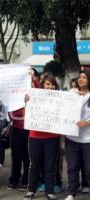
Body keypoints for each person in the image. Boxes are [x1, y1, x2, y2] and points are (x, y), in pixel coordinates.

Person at [23, 73, 61, 200]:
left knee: (50, 165)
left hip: (52, 137)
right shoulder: (33, 97)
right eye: (48, 84)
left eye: (53, 85)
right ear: (43, 85)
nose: (50, 87)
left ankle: (49, 191)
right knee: (34, 164)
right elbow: (25, 114)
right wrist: (27, 103)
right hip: (35, 136)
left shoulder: (60, 99)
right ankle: (31, 190)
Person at [64, 71, 90, 200]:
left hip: (88, 139)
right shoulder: (71, 93)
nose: (81, 79)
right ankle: (71, 192)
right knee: (72, 167)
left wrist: (87, 122)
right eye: (80, 77)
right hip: (72, 137)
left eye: (84, 77)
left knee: (88, 167)